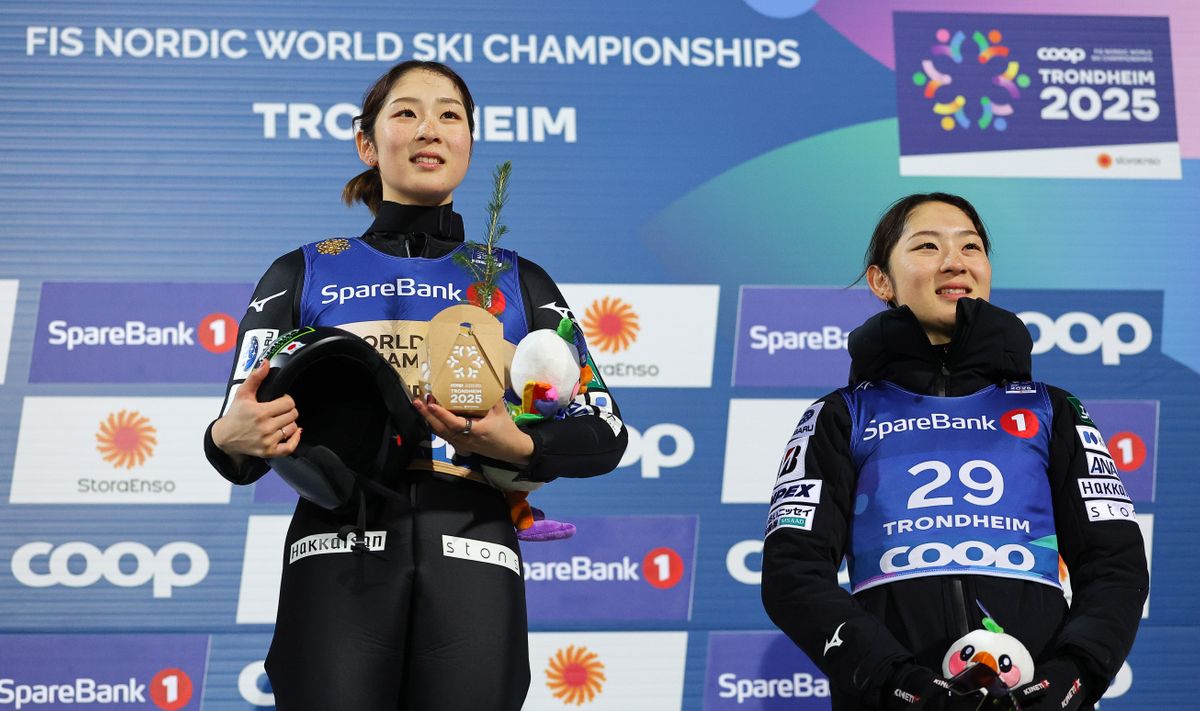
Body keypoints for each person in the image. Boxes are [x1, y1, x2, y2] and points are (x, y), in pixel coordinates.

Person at [202, 60, 627, 711]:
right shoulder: (303, 271)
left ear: (469, 141)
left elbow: (606, 431)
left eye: (449, 114)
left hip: (474, 554)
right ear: (366, 143)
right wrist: (225, 438)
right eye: (406, 112)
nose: (430, 128)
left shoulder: (521, 279)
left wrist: (517, 443)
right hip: (336, 557)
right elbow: (239, 431)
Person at [761, 193, 1148, 710]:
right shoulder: (840, 416)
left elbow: (1115, 564)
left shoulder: (1053, 411)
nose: (955, 261)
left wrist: (1071, 677)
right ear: (882, 281)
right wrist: (899, 684)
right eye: (926, 245)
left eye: (971, 246)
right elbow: (794, 575)